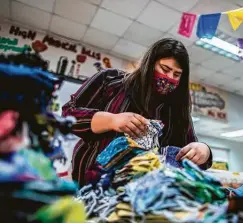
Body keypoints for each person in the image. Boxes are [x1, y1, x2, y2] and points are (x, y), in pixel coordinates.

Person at [62, 38, 212, 186]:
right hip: (85, 184)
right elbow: (68, 114)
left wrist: (203, 151)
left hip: (139, 198)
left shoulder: (177, 110)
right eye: (165, 70)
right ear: (149, 63)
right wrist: (112, 120)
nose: (169, 78)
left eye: (177, 75)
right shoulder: (110, 81)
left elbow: (190, 152)